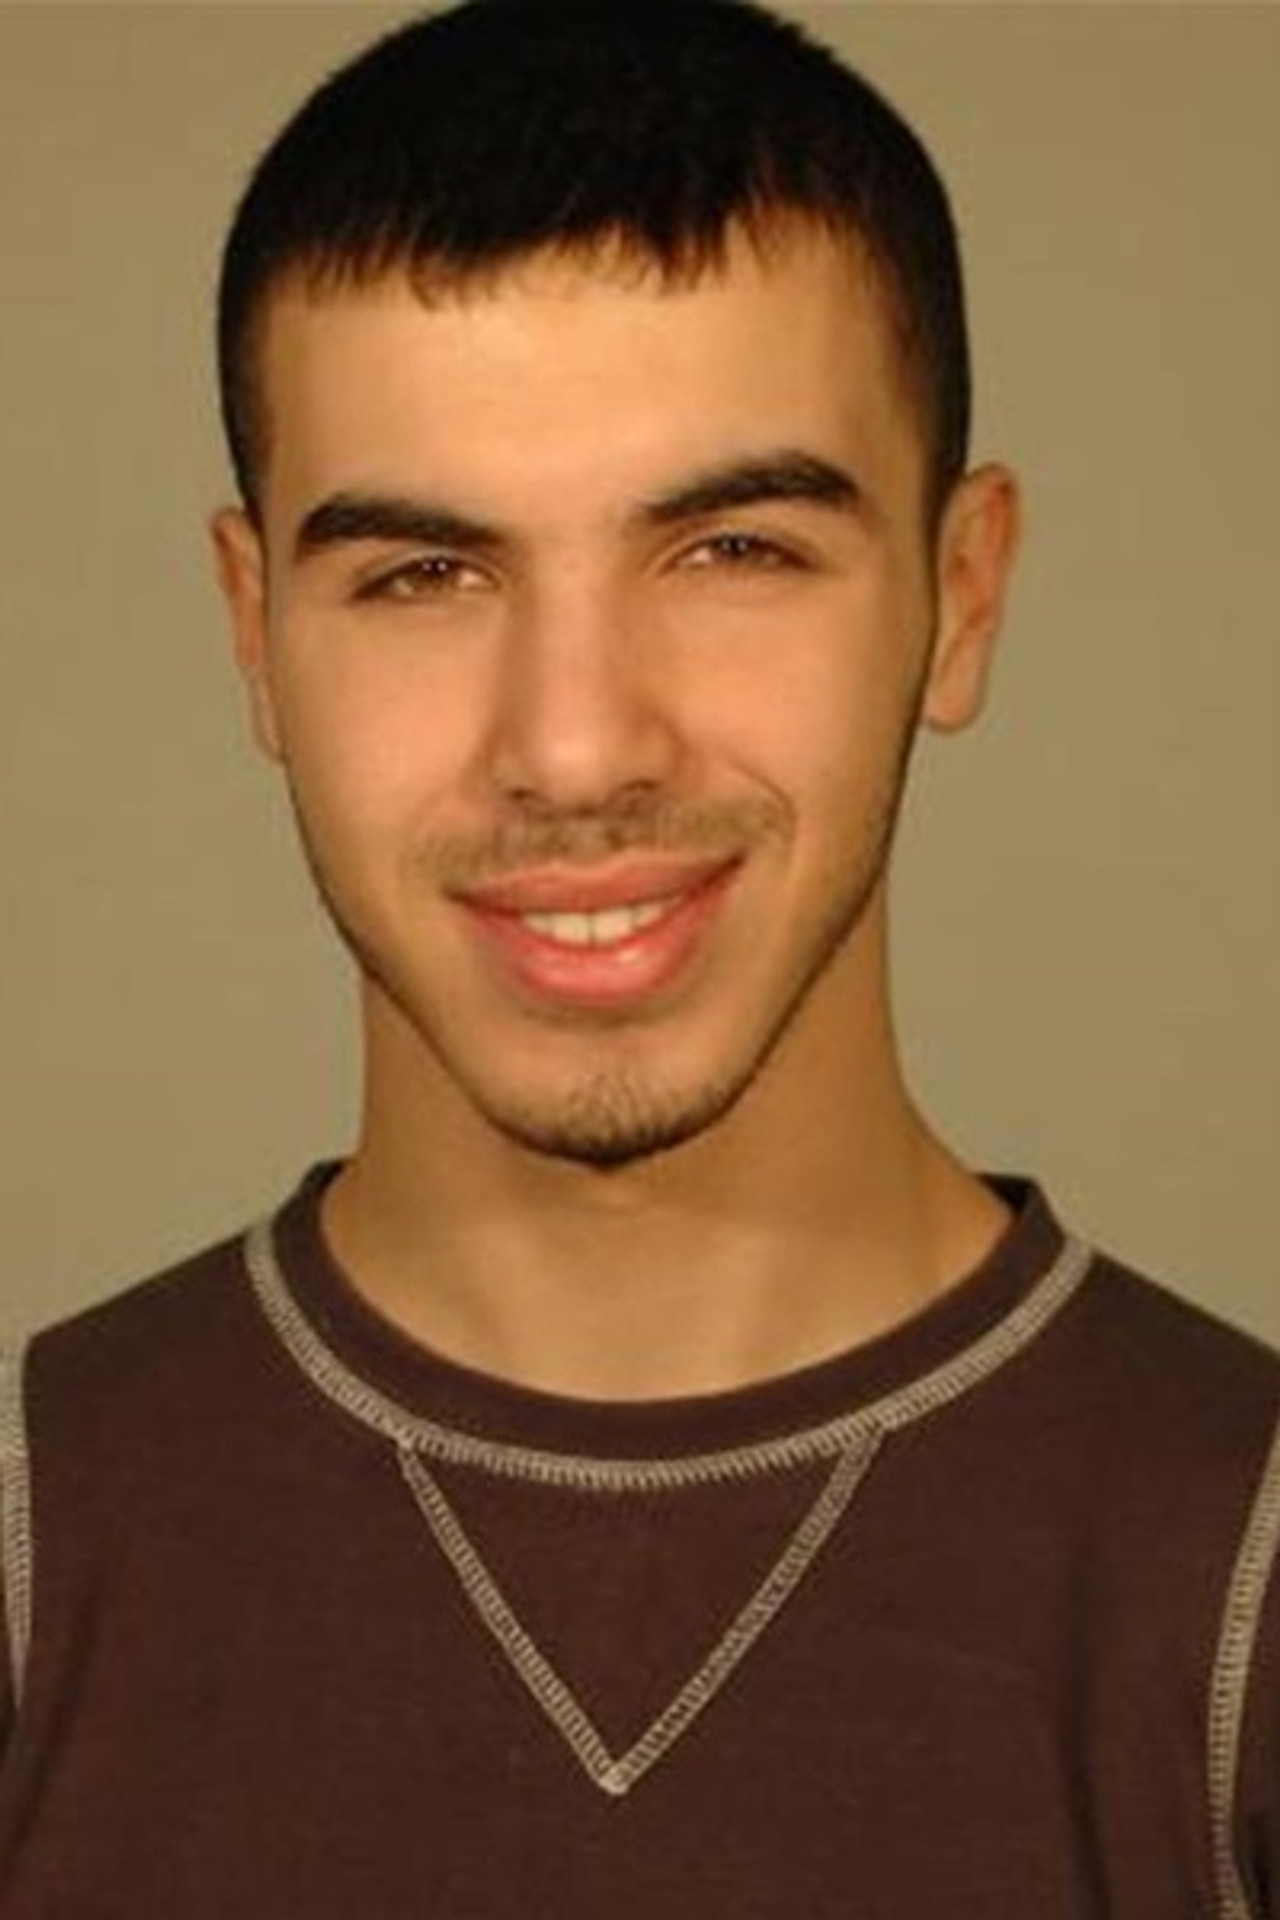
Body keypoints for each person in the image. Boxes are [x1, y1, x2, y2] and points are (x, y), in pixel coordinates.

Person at [0, 0, 1275, 1910]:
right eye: (425, 575)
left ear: (961, 594)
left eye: (733, 550)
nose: (579, 745)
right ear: (256, 635)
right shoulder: (28, 1566)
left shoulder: (1246, 1587)